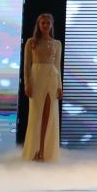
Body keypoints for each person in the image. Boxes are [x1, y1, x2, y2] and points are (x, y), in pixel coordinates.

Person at [22, 13, 63, 162]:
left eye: (47, 23)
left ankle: (43, 152)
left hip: (51, 78)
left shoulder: (57, 44)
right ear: (39, 25)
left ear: (51, 25)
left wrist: (59, 86)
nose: (45, 25)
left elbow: (57, 65)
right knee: (35, 116)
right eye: (43, 23)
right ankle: (34, 151)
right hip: (37, 78)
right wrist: (27, 83)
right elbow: (26, 66)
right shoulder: (31, 42)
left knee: (49, 115)